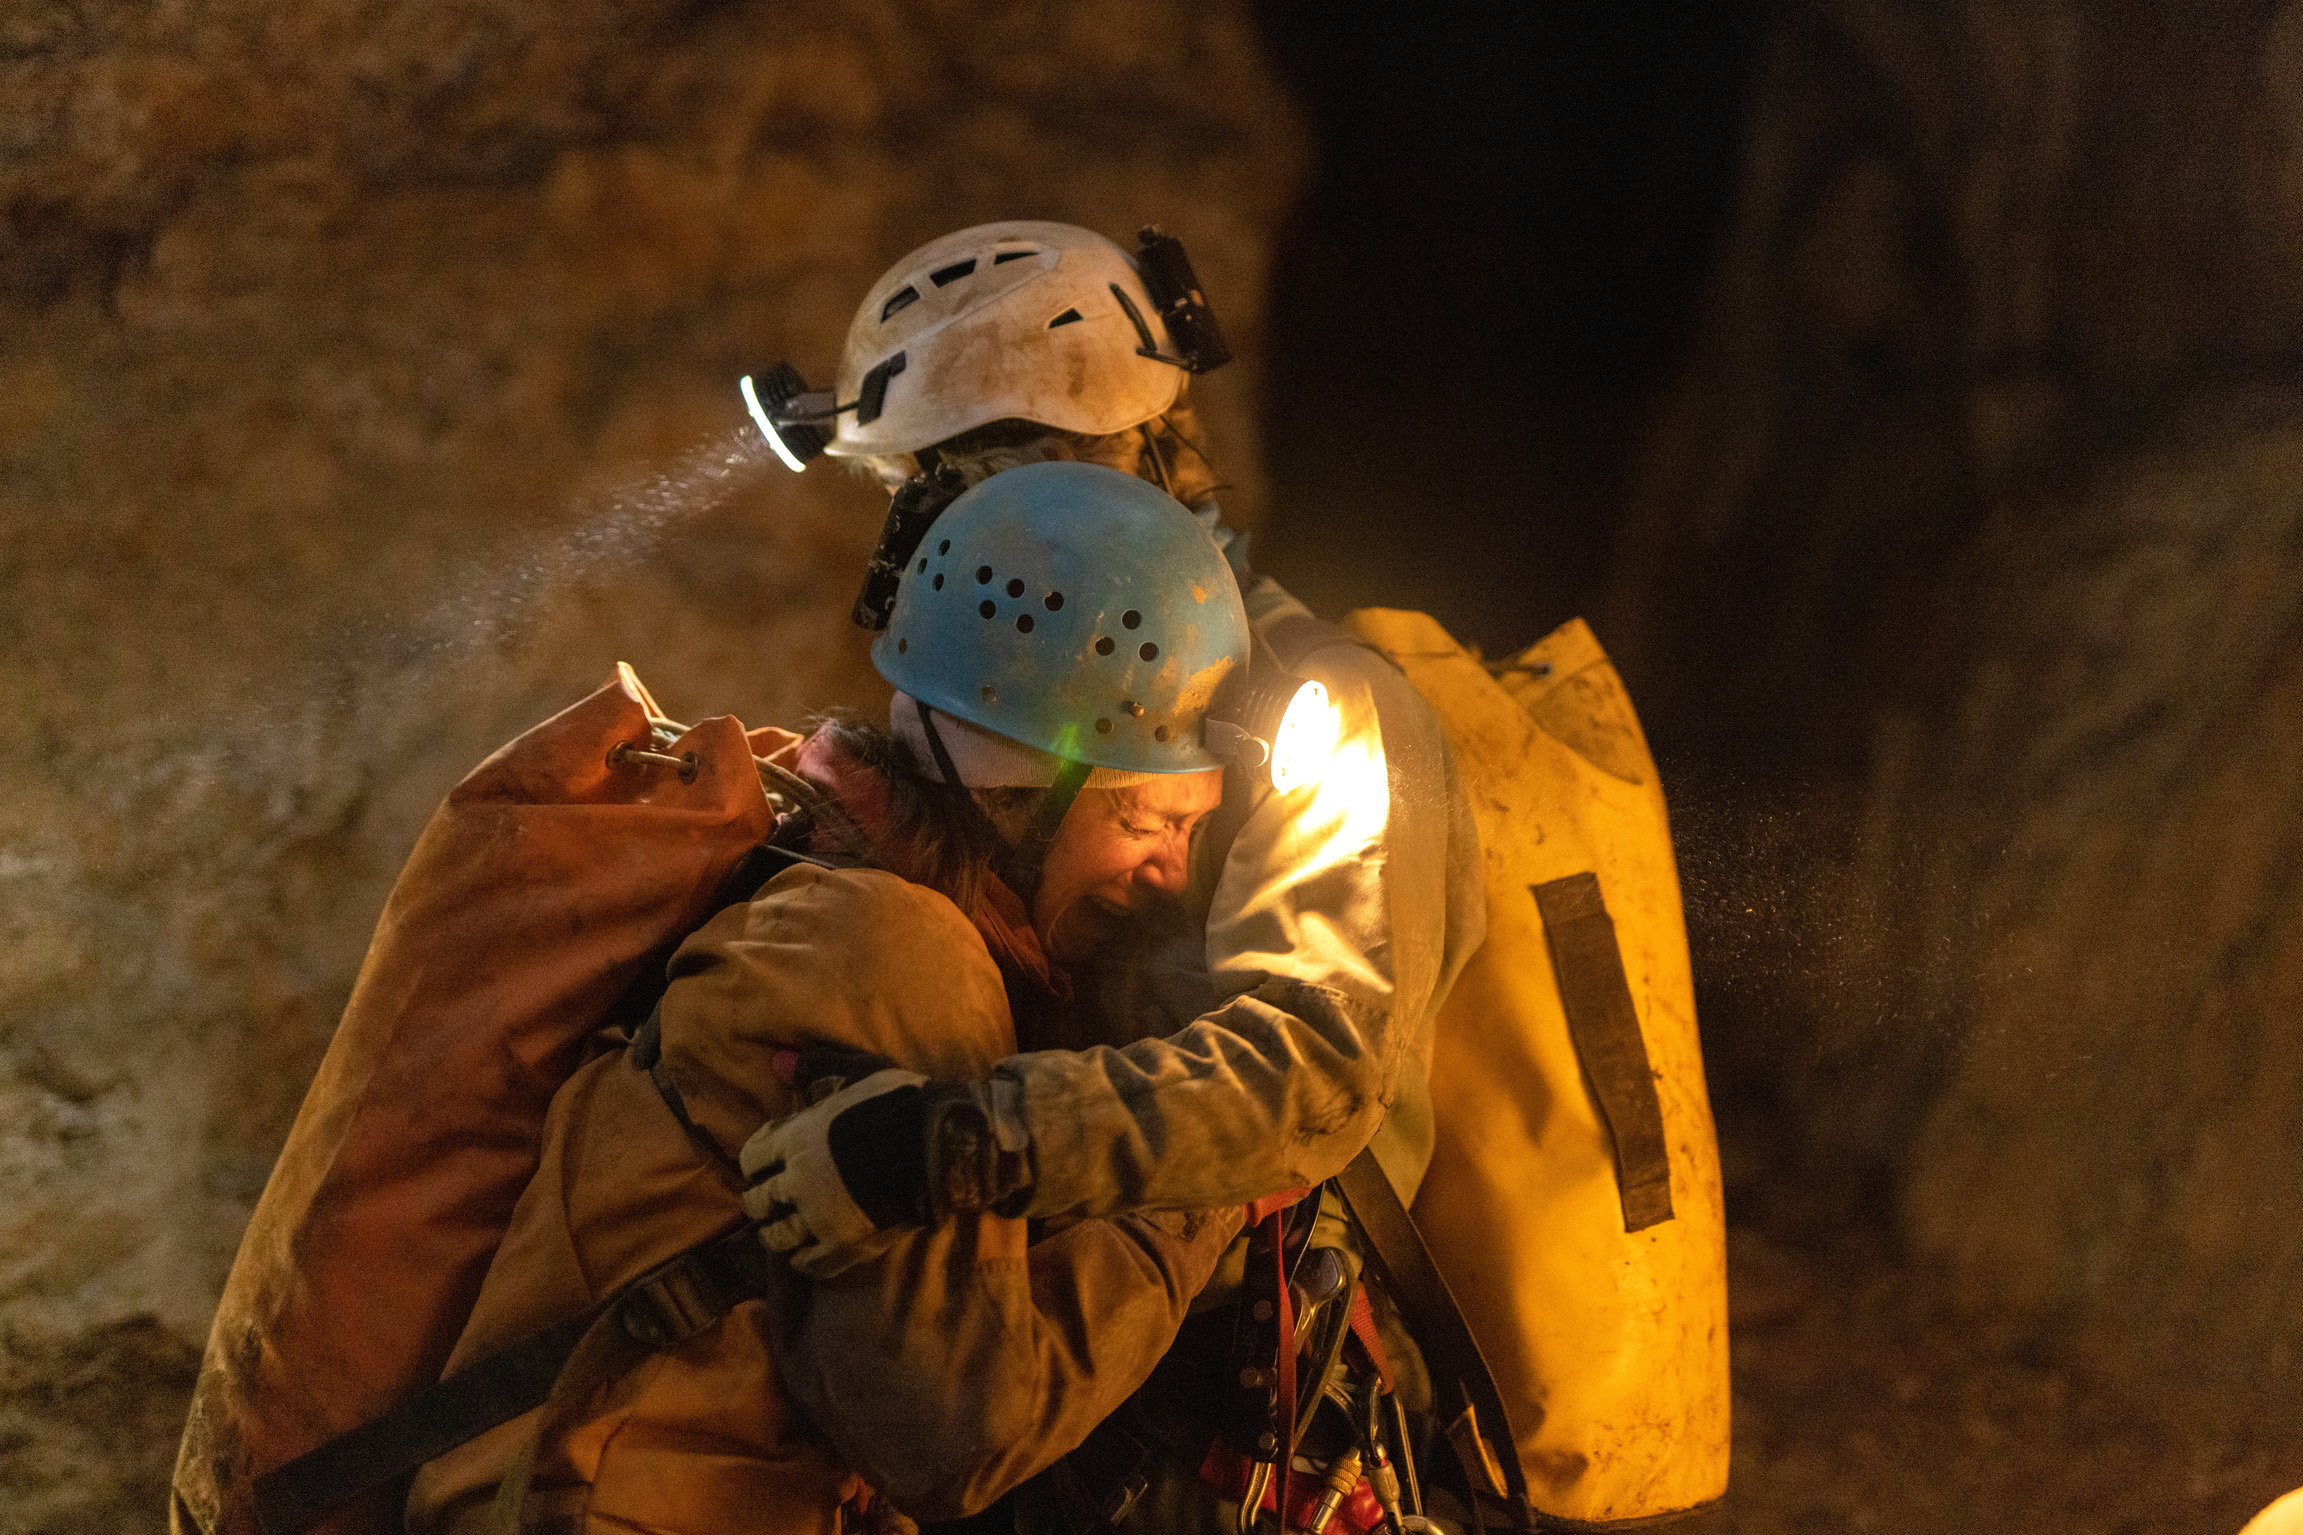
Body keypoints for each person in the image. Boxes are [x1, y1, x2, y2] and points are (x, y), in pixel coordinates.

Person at [737, 220, 1486, 1530]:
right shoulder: (1064, 699)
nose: (954, 556)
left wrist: (943, 1144)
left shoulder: (1320, 713)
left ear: (1112, 462)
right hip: (1078, 1345)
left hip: (1260, 1398)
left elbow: (1307, 1067)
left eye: (957, 497)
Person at [405, 462, 1263, 1535]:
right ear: (1022, 786)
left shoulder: (830, 883)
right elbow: (952, 1427)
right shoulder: (896, 952)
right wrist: (1208, 1168)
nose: (1172, 874)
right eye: (1149, 820)